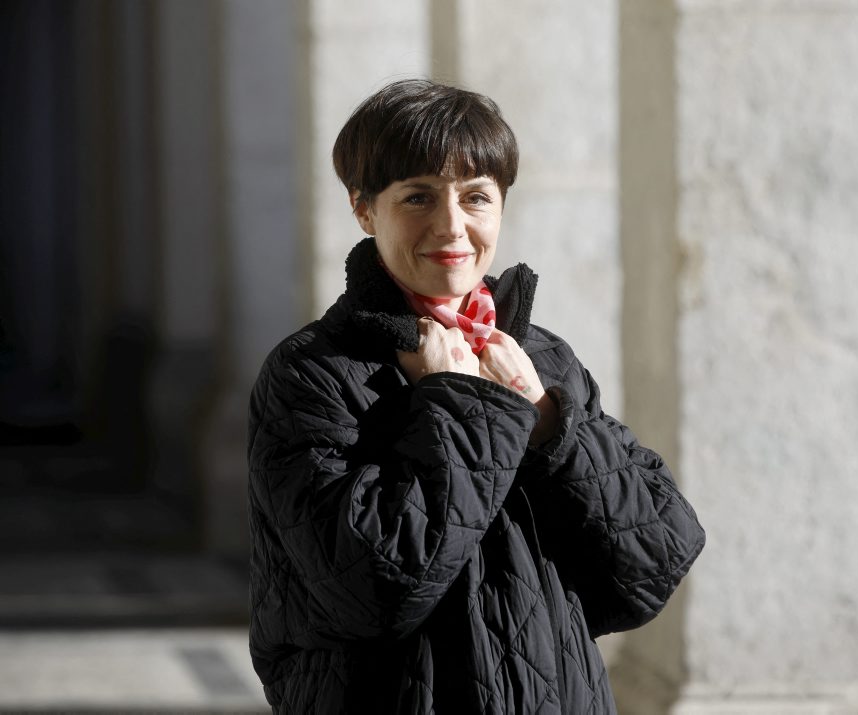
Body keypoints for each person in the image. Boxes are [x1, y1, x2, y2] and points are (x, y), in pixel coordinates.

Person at [247, 78, 705, 713]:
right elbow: (374, 588)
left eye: (476, 197)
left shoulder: (540, 359)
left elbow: (651, 566)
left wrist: (549, 423)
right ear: (364, 209)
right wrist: (461, 404)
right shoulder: (312, 374)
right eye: (417, 197)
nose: (452, 226)